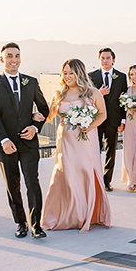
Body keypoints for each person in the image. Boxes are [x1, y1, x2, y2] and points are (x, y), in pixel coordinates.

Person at [0, 42, 50, 239]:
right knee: (12, 185)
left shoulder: (31, 82)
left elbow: (44, 109)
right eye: (10, 56)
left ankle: (36, 225)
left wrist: (35, 128)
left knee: (32, 182)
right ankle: (20, 222)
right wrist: (3, 139)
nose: (14, 60)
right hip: (6, 145)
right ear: (2, 59)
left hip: (29, 143)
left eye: (17, 56)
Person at [42, 58, 112, 232]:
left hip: (86, 140)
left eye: (71, 73)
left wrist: (89, 126)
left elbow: (102, 114)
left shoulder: (92, 92)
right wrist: (37, 115)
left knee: (85, 172)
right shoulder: (59, 94)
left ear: (79, 73)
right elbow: (49, 116)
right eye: (64, 73)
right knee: (67, 174)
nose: (67, 76)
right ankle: (68, 215)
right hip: (65, 140)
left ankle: (87, 214)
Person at [88, 48, 128, 192]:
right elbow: (87, 99)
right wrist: (99, 92)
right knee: (95, 151)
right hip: (96, 121)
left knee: (111, 151)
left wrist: (123, 121)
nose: (105, 61)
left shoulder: (122, 77)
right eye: (102, 58)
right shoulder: (91, 76)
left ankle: (107, 181)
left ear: (113, 59)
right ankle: (95, 179)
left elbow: (124, 100)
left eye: (108, 58)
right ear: (99, 59)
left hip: (114, 120)